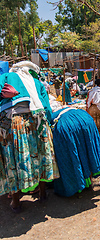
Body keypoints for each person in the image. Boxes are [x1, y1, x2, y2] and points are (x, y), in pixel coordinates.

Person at [0, 61, 59, 213]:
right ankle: (43, 193)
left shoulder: (6, 76)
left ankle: (15, 201)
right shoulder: (37, 83)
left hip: (14, 124)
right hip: (37, 121)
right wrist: (49, 123)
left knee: (12, 160)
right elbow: (46, 107)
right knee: (41, 155)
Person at [51, 108, 100, 197]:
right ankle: (89, 182)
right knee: (88, 151)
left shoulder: (52, 118)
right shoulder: (78, 111)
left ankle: (74, 186)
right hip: (86, 120)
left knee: (69, 155)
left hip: (67, 126)